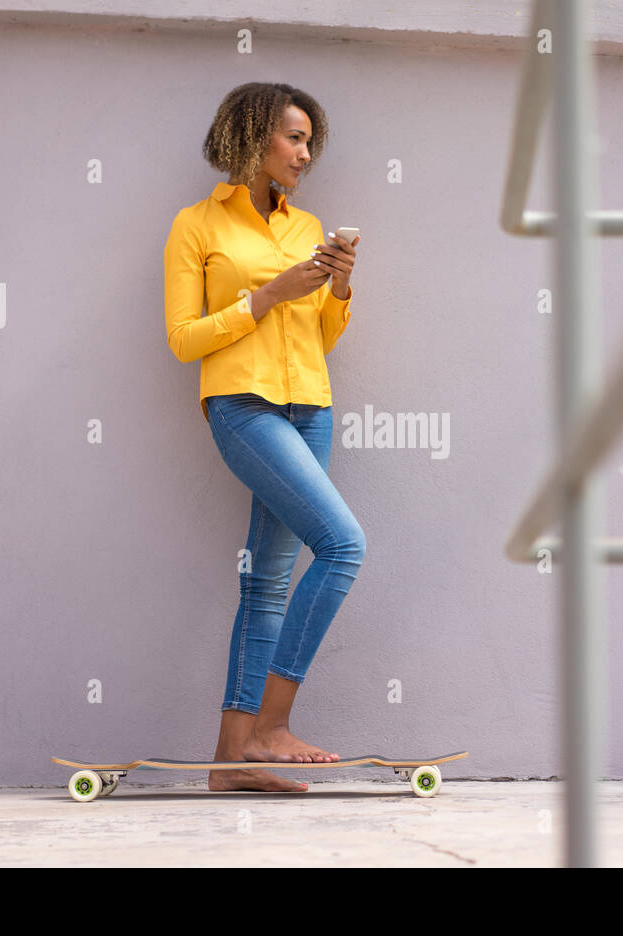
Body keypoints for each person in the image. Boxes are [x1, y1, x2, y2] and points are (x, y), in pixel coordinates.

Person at [164, 82, 364, 792]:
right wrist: (268, 294)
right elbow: (184, 338)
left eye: (310, 141)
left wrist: (337, 288)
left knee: (267, 581)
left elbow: (321, 336)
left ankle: (231, 761)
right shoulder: (197, 225)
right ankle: (271, 726)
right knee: (343, 545)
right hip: (243, 408)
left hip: (309, 406)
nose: (306, 154)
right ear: (252, 136)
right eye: (295, 138)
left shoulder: (304, 225)